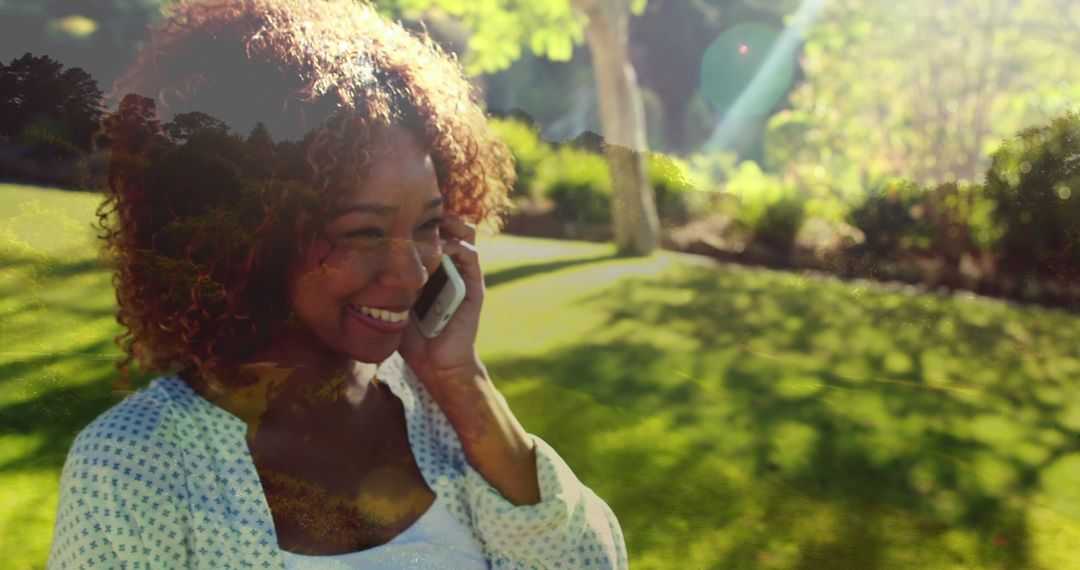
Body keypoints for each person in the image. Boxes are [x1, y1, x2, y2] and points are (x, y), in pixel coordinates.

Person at [46, 0, 627, 568]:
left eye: (427, 226)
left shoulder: (445, 413)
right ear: (249, 234)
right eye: (364, 233)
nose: (410, 272)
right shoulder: (132, 468)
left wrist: (463, 383)